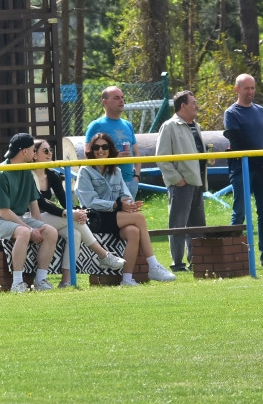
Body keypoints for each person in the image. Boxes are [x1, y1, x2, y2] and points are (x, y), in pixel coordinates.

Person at [77, 133, 175, 286]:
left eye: (104, 147)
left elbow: (126, 195)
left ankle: (127, 279)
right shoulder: (85, 171)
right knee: (139, 218)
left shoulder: (116, 171)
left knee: (134, 232)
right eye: (96, 147)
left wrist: (129, 205)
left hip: (115, 217)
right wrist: (117, 205)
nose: (100, 150)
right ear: (91, 150)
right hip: (95, 218)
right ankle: (153, 266)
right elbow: (90, 202)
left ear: (110, 150)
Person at [30, 139, 124, 285]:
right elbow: (42, 203)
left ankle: (66, 281)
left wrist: (77, 212)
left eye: (51, 150)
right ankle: (103, 254)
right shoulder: (29, 176)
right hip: (31, 218)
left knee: (75, 233)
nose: (50, 154)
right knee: (72, 219)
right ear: (34, 155)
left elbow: (65, 201)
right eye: (45, 151)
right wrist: (68, 214)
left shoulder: (52, 176)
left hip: (49, 219)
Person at [0, 133, 57, 293]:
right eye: (34, 150)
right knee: (24, 232)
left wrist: (39, 227)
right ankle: (17, 283)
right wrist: (30, 229)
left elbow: (34, 205)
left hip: (15, 219)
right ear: (24, 151)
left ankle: (41, 280)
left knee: (51, 232)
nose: (36, 154)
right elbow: (4, 212)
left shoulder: (26, 171)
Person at [223, 73, 263, 266]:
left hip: (262, 169)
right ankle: (234, 254)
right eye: (246, 88)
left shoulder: (260, 110)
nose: (251, 92)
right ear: (237, 89)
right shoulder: (231, 113)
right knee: (239, 212)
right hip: (242, 168)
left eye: (253, 88)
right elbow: (239, 142)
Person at [155, 90, 208, 271]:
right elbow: (161, 157)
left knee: (198, 226)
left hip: (198, 183)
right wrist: (177, 180)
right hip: (181, 185)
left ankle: (198, 261)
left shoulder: (197, 126)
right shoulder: (169, 126)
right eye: (193, 102)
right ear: (183, 105)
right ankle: (177, 263)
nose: (196, 105)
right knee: (178, 225)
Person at [85, 86, 141, 198]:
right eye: (116, 98)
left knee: (130, 215)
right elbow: (88, 155)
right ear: (105, 102)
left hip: (129, 181)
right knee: (110, 215)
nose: (121, 100)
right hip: (107, 182)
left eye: (122, 97)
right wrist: (115, 157)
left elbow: (136, 152)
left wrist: (137, 176)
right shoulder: (96, 125)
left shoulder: (127, 125)